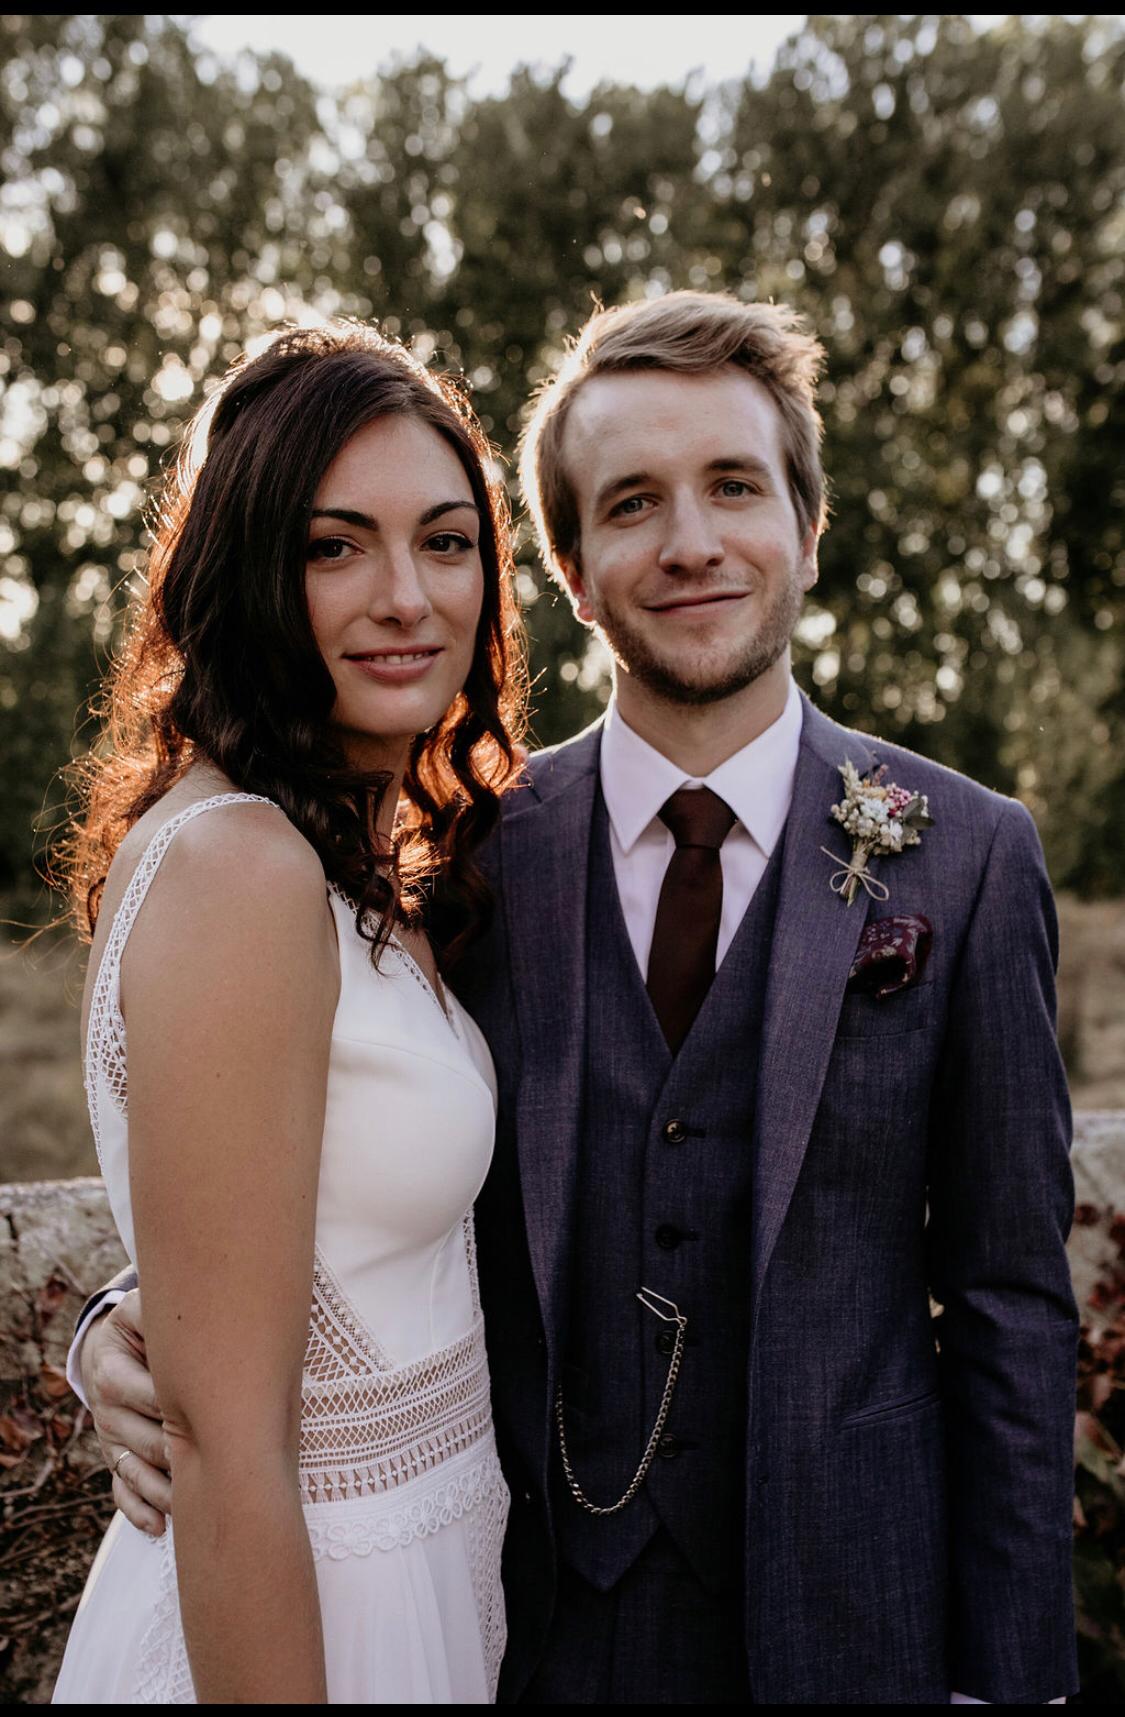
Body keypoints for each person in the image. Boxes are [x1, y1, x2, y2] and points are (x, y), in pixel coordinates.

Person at [73, 292, 1078, 1704]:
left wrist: (1013, 1674)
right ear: (567, 564)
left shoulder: (966, 857)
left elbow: (1009, 1304)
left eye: (733, 485)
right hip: (532, 1631)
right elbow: (295, 1152)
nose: (689, 541)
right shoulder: (456, 855)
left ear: (808, 525)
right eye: (629, 503)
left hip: (860, 1630)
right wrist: (129, 1323)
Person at [51, 321, 525, 1703]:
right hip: (305, 1605)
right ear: (249, 570)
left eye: (445, 542)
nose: (405, 596)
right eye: (335, 547)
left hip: (421, 1565)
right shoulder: (242, 864)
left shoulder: (358, 865)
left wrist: (115, 1322)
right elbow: (227, 1438)